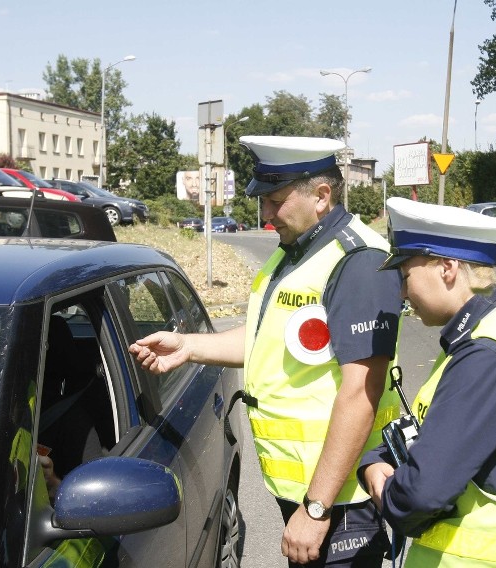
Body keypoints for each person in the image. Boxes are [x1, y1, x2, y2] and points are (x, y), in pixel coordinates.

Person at [130, 136, 405, 567]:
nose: (265, 214)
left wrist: (316, 509)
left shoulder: (358, 262)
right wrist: (188, 346)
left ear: (321, 196)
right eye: (263, 201)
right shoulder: (296, 251)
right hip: (306, 492)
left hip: (339, 501)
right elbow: (268, 339)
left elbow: (361, 393)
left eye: (276, 201)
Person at [359, 197, 496, 567]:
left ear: (448, 267)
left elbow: (418, 497)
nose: (403, 294)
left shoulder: (482, 357)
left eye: (406, 277)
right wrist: (380, 456)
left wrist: (379, 481)